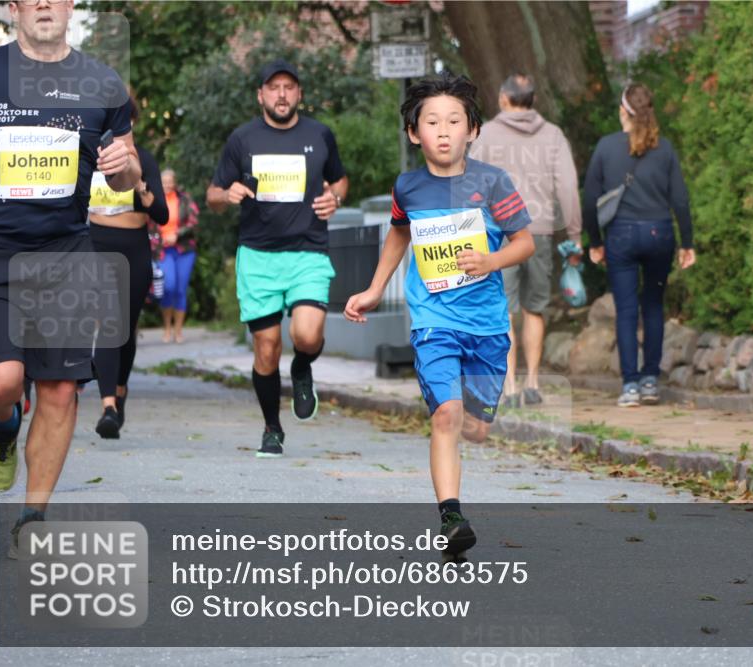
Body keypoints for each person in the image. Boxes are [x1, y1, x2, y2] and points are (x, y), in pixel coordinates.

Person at [344, 72, 535, 562]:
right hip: (434, 320)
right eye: (432, 121)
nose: (444, 130)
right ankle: (451, 516)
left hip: (488, 324)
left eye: (454, 120)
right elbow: (399, 234)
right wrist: (373, 288)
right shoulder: (407, 187)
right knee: (446, 414)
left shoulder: (492, 182)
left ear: (472, 129)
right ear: (415, 133)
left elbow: (525, 242)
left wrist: (491, 261)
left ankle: (466, 451)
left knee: (476, 428)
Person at [0, 0, 139, 537]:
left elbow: (126, 176)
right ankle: (3, 424)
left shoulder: (102, 82)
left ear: (71, 6)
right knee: (0, 383)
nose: (44, 3)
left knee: (60, 389)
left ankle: (32, 517)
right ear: (15, 6)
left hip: (66, 253)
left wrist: (126, 167)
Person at [207, 59, 348, 458]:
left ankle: (302, 366)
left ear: (299, 94)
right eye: (274, 87)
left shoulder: (320, 135)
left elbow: (339, 178)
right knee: (266, 350)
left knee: (306, 335)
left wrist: (335, 197)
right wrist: (226, 194)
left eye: (289, 87)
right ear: (261, 95)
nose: (282, 94)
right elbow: (213, 194)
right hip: (258, 256)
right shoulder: (243, 139)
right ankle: (272, 427)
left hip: (307, 251)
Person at [468, 74, 582, 409]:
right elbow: (567, 186)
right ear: (532, 100)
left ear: (504, 98)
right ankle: (533, 381)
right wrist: (574, 233)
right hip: (540, 230)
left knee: (504, 309)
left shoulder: (486, 134)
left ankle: (510, 386)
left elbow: (472, 182)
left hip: (499, 233)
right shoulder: (553, 135)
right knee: (535, 308)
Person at [584, 83, 695, 407]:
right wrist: (687, 242)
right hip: (660, 235)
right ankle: (650, 381)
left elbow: (590, 199)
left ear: (623, 111)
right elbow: (680, 200)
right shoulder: (665, 149)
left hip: (621, 236)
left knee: (627, 310)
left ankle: (630, 384)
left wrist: (595, 241)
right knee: (653, 305)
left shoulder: (606, 147)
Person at [88, 96, 169, 439]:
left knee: (126, 327)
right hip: (95, 247)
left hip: (133, 250)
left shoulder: (144, 160)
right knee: (108, 323)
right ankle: (107, 406)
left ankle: (119, 391)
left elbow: (163, 215)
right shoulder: (88, 160)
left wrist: (142, 189)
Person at [156, 168, 199, 344]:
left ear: (174, 182)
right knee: (168, 286)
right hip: (163, 250)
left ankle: (178, 331)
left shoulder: (185, 199)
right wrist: (159, 238)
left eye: (169, 181)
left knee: (181, 289)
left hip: (184, 249)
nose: (166, 185)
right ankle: (167, 328)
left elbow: (194, 221)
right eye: (163, 181)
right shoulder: (154, 199)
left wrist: (178, 234)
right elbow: (147, 223)